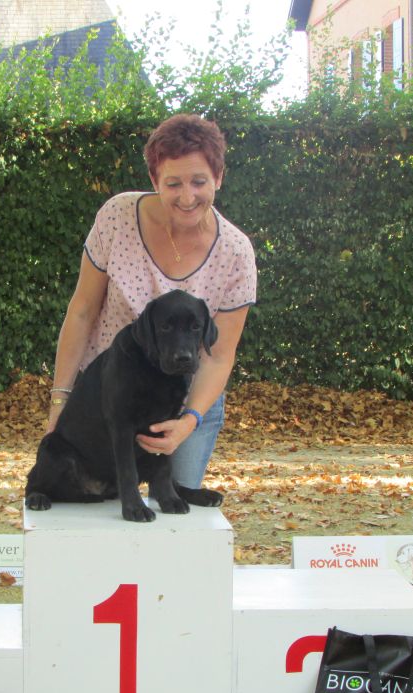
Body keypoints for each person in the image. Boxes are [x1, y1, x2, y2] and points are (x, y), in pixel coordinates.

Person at [47, 113, 256, 490]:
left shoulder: (237, 253)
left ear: (219, 177)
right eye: (173, 183)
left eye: (199, 181)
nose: (187, 197)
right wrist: (60, 401)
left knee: (176, 510)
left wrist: (189, 421)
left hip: (184, 402)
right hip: (110, 395)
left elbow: (219, 355)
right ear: (154, 179)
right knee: (101, 506)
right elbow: (82, 312)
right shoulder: (117, 217)